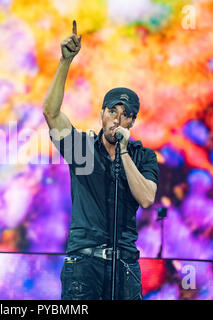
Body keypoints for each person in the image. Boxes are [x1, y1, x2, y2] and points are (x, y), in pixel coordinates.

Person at [42, 20, 159, 300]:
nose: (117, 118)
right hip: (84, 265)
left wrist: (124, 152)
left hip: (125, 267)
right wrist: (65, 61)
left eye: (125, 113)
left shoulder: (143, 156)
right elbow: (51, 113)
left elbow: (146, 198)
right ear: (102, 113)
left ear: (131, 121)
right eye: (112, 110)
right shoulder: (82, 148)